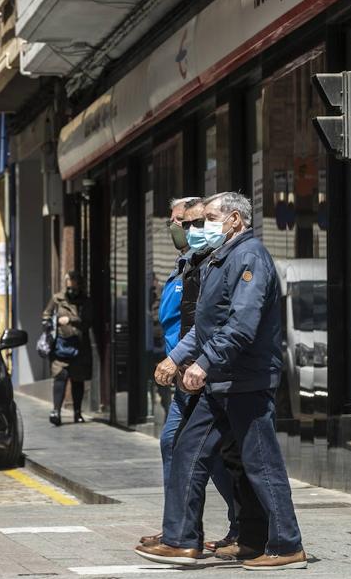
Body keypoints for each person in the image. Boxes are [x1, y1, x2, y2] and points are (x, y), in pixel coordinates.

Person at [136, 192, 306, 571]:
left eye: (209, 218)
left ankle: (287, 545)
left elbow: (241, 325)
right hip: (220, 382)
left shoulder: (250, 258)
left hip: (245, 381)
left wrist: (205, 364)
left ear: (234, 220)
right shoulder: (219, 260)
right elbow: (204, 327)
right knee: (187, 452)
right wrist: (176, 358)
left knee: (260, 464)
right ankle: (182, 542)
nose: (201, 226)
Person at [141, 197, 241, 553]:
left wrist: (191, 361)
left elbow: (218, 325)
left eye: (185, 223)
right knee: (186, 447)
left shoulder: (218, 262)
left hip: (202, 371)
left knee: (206, 451)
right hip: (185, 369)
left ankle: (193, 532)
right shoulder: (186, 263)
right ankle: (179, 529)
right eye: (177, 223)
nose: (180, 230)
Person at [42, 271, 92, 426]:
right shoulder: (57, 299)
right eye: (69, 284)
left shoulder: (85, 301)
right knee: (60, 375)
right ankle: (56, 410)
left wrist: (70, 320)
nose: (71, 288)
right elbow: (46, 315)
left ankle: (77, 412)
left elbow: (87, 322)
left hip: (79, 346)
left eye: (74, 284)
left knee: (78, 379)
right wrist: (52, 324)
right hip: (60, 346)